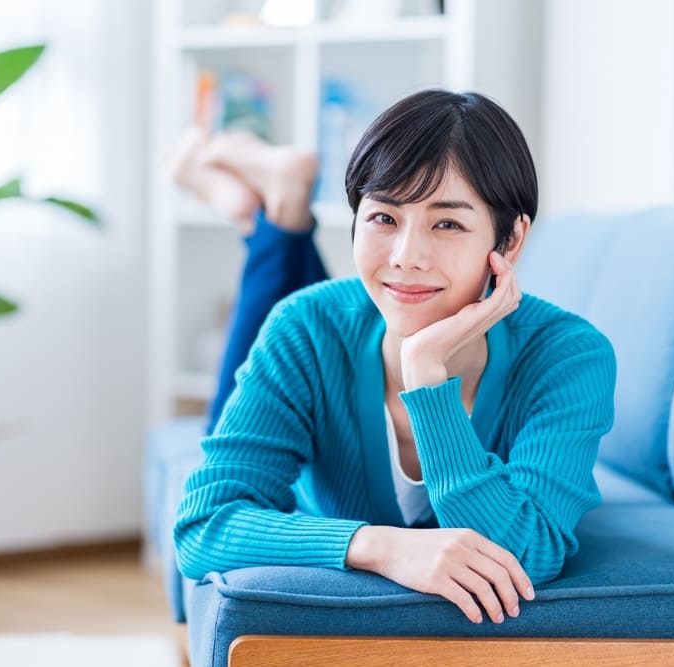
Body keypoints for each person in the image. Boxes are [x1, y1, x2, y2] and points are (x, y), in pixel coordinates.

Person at [169, 90, 616, 626]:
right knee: (291, 321)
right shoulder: (306, 325)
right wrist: (383, 546)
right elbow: (203, 527)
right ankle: (264, 208)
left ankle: (263, 205)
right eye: (383, 217)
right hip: (318, 333)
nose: (406, 257)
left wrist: (427, 378)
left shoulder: (568, 355)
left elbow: (528, 553)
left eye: (447, 224)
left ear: (512, 237)